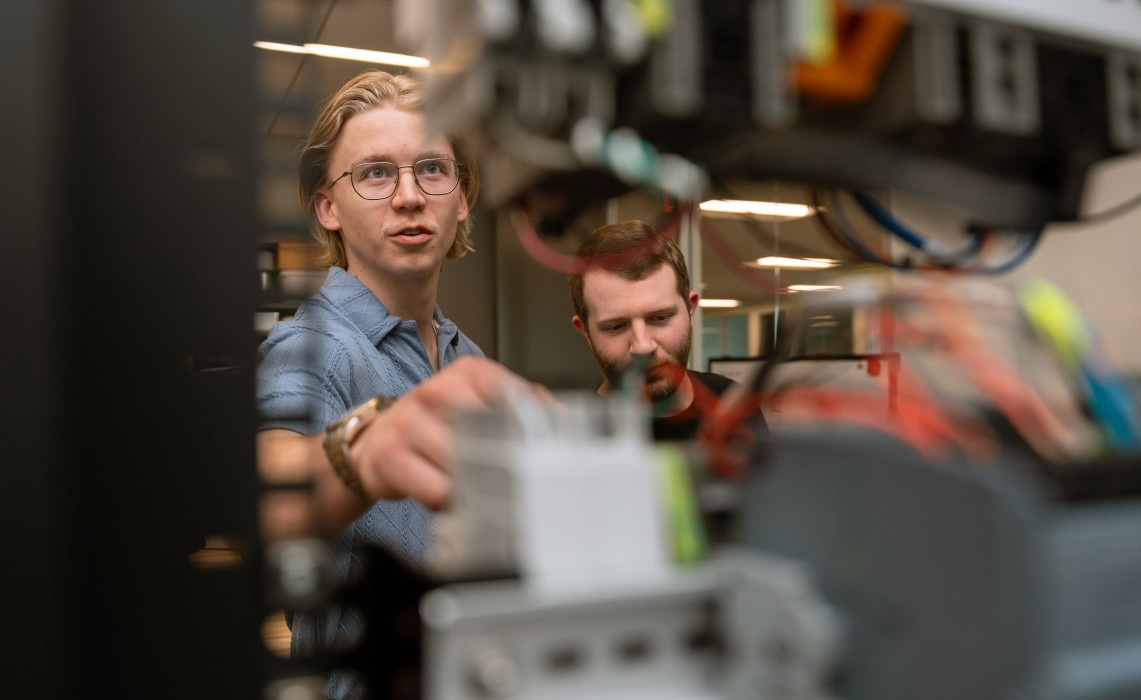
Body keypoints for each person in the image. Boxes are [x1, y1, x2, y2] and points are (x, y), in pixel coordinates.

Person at [255, 70, 537, 699]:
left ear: (460, 199)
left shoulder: (467, 356)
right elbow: (271, 495)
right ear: (328, 207)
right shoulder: (314, 345)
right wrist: (364, 447)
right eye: (376, 174)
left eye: (432, 169)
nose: (409, 196)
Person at [567, 219, 768, 442]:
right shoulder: (576, 440)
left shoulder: (730, 401)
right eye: (616, 327)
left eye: (660, 318)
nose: (642, 346)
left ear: (691, 308)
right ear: (585, 331)